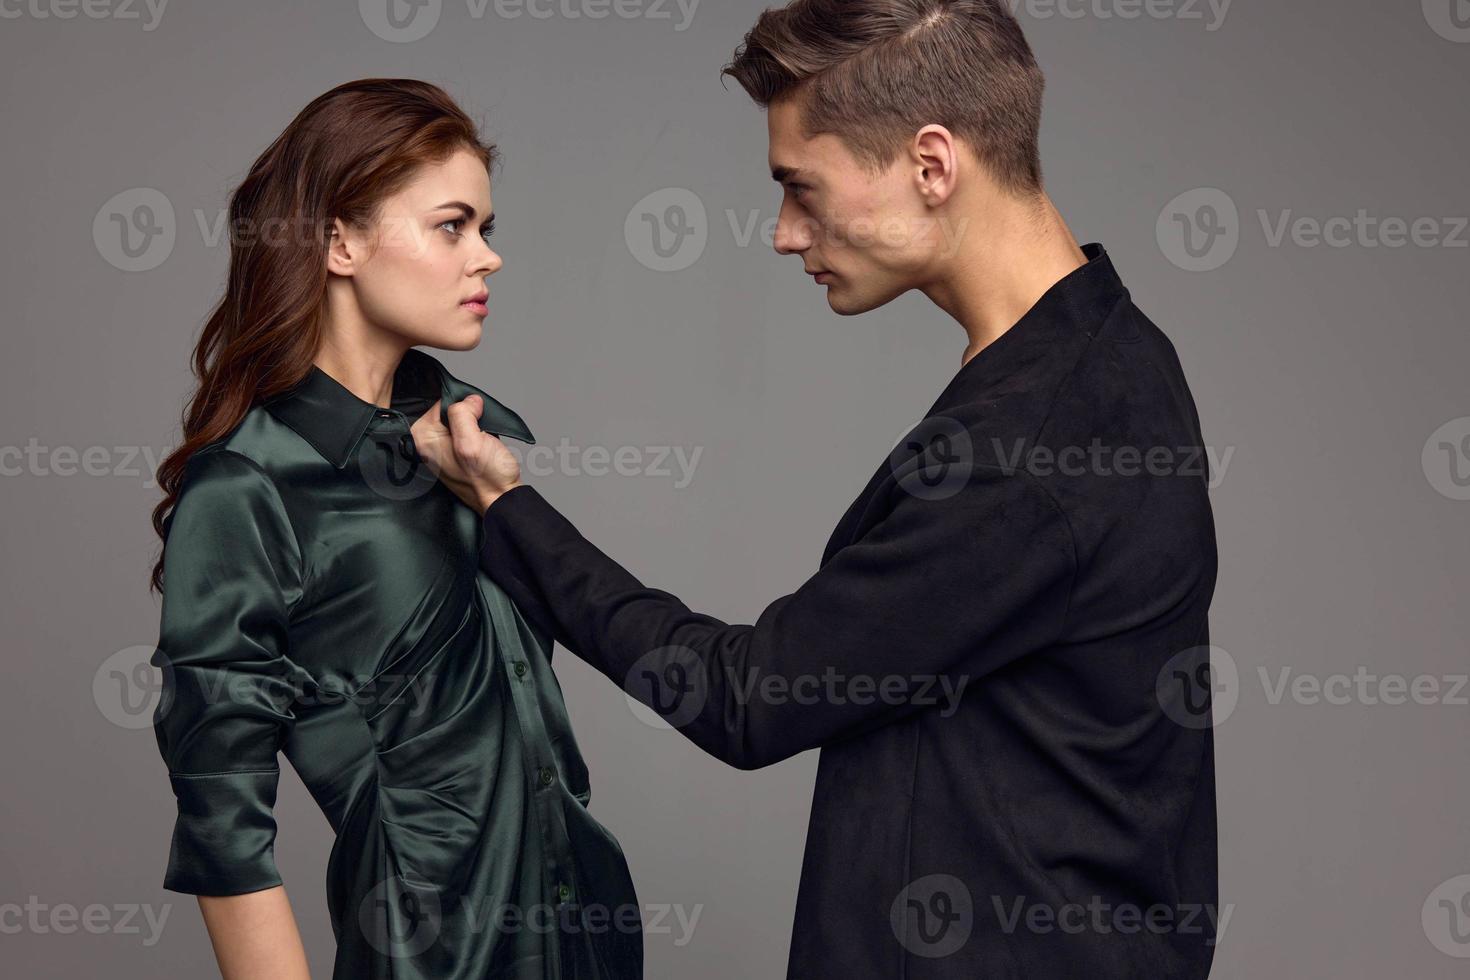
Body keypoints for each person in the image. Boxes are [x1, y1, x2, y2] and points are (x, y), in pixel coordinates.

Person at [417, 1, 1221, 976]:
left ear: (932, 163)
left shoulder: (1036, 443)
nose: (783, 233)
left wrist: (507, 509)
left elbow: (749, 696)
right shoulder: (1111, 354)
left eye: (801, 188)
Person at [147, 78, 642, 979]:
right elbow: (224, 826)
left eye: (487, 230)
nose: (487, 258)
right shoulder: (249, 486)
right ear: (339, 240)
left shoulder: (466, 449)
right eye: (453, 226)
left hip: (586, 943)